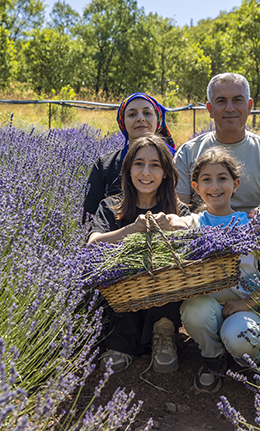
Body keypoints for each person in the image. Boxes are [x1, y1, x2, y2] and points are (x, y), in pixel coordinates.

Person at [88, 134, 188, 374]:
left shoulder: (177, 209)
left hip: (165, 299)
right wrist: (130, 229)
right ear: (128, 170)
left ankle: (163, 333)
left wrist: (176, 227)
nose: (146, 172)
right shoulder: (111, 206)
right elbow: (93, 244)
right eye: (139, 164)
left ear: (165, 172)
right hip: (123, 302)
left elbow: (196, 246)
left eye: (155, 165)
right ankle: (121, 341)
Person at [177, 148, 260, 393]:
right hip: (209, 308)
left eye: (222, 178)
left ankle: (249, 362)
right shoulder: (192, 224)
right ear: (196, 187)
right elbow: (171, 226)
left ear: (235, 184)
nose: (214, 186)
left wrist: (248, 303)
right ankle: (213, 358)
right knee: (194, 310)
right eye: (206, 179)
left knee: (240, 337)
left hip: (246, 306)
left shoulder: (251, 224)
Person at [174, 73, 260, 217]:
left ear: (249, 106)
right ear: (210, 108)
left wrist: (254, 217)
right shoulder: (188, 153)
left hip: (254, 231)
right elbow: (179, 207)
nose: (230, 108)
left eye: (237, 100)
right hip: (201, 232)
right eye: (221, 101)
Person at [83, 92, 176, 222]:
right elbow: (89, 217)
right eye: (132, 114)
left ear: (158, 120)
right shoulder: (106, 165)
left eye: (147, 113)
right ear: (123, 122)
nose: (140, 118)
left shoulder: (175, 161)